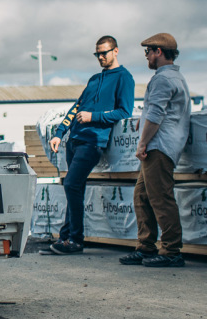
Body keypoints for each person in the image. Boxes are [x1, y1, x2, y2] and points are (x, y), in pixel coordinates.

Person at [44, 35, 135, 255]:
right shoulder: (94, 79)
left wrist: (93, 116)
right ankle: (65, 238)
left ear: (116, 51)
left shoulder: (124, 78)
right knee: (73, 187)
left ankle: (75, 240)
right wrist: (59, 133)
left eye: (104, 52)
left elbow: (124, 112)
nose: (101, 57)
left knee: (72, 185)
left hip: (93, 141)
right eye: (97, 54)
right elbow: (76, 107)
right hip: (73, 140)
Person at [120, 33, 192, 268]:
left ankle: (171, 250)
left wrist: (142, 144)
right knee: (142, 196)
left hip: (158, 147)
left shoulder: (163, 79)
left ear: (158, 52)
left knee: (160, 198)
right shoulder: (175, 77)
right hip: (159, 146)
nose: (146, 57)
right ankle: (146, 247)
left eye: (148, 52)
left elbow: (156, 115)